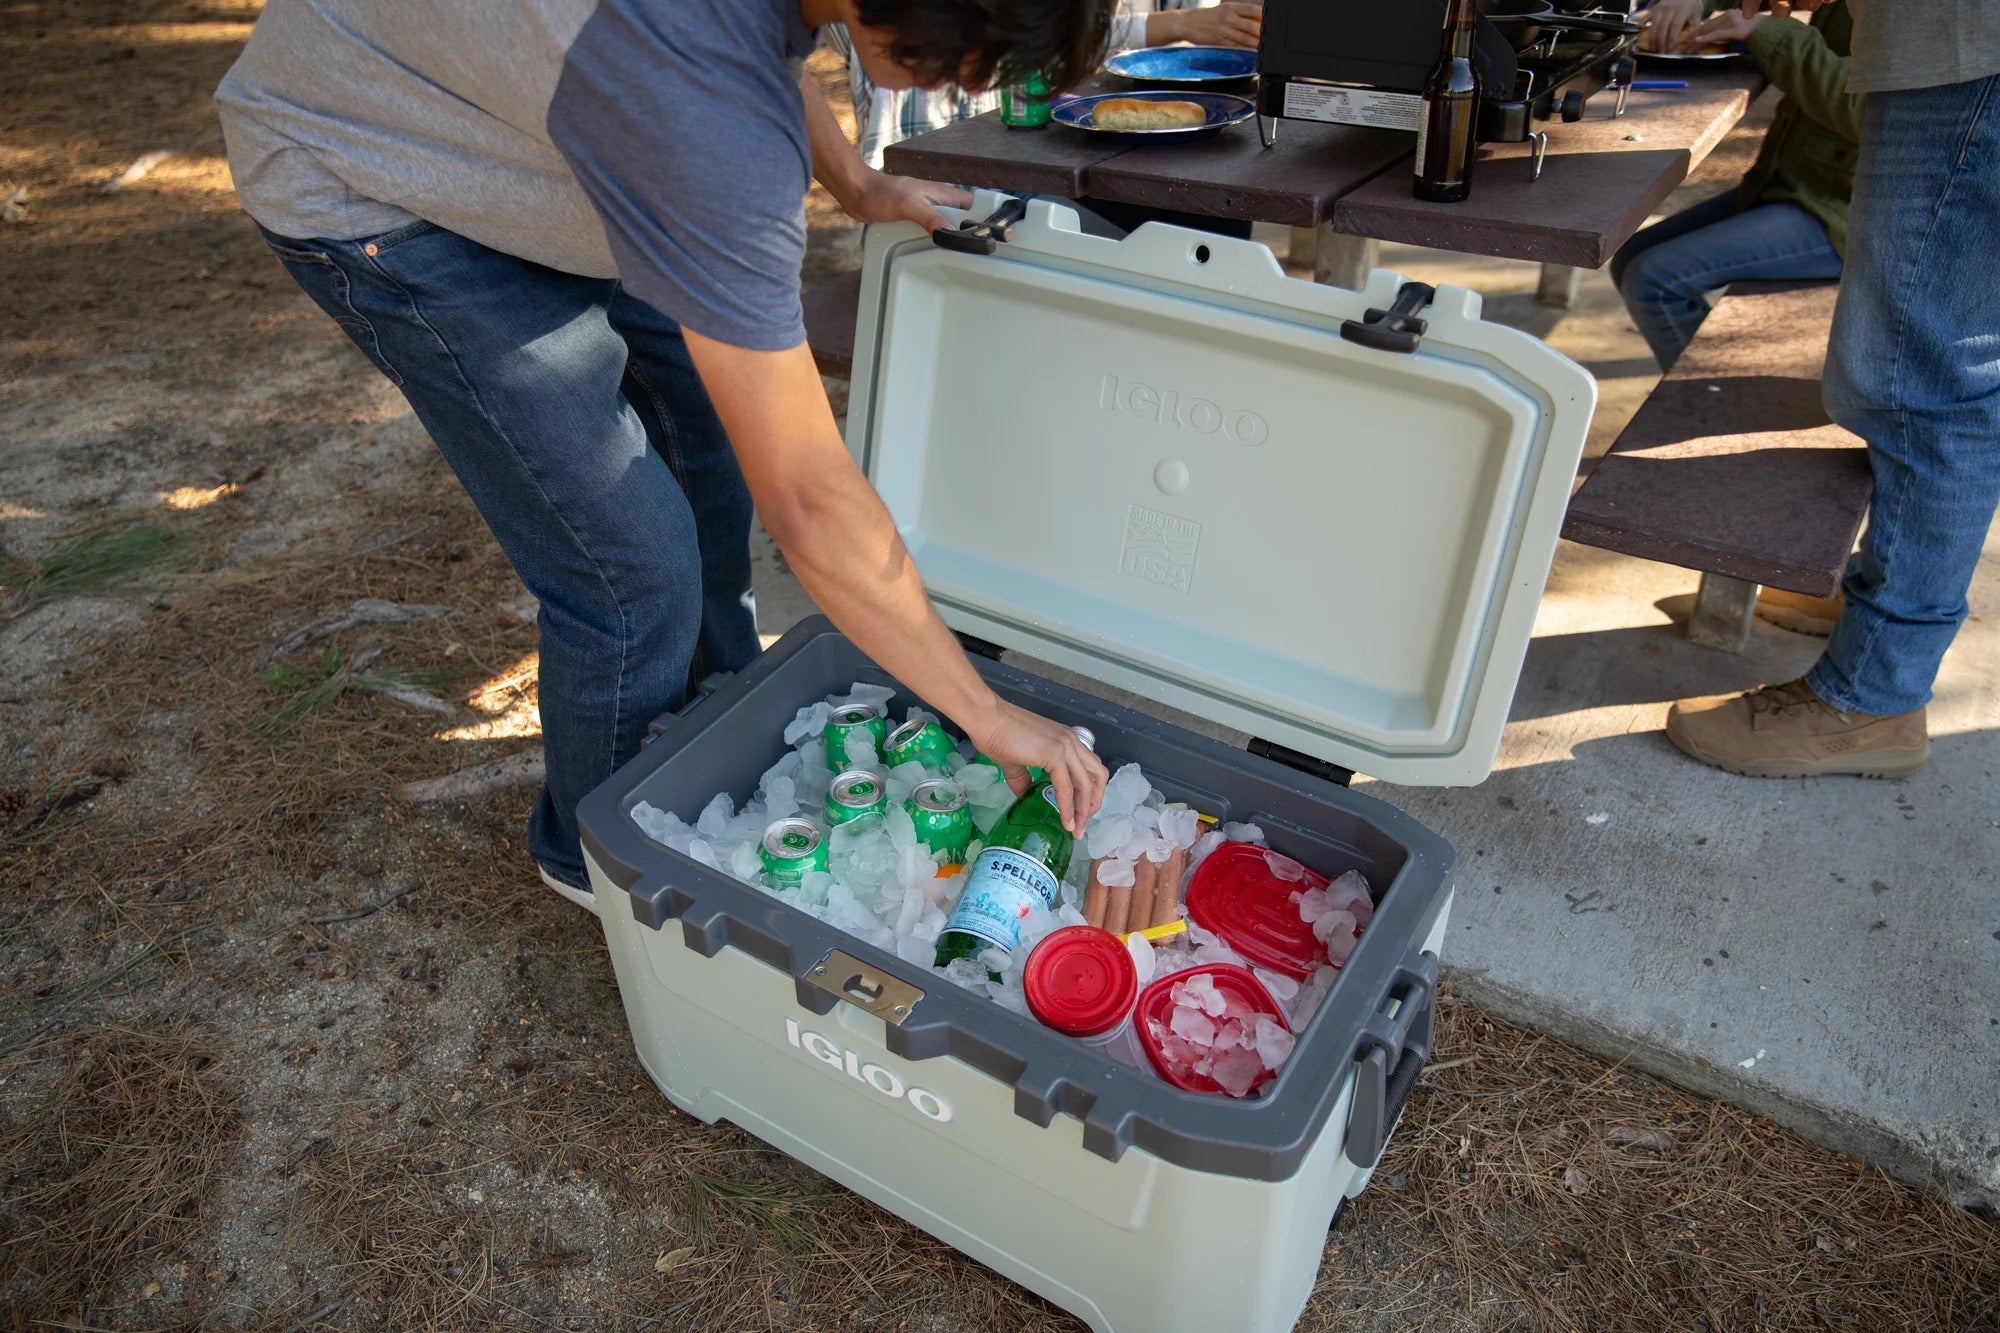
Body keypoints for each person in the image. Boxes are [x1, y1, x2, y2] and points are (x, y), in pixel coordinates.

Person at [214, 0, 1113, 910]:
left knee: (707, 456)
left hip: (541, 134)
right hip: (374, 170)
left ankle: (720, 734)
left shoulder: (703, 99)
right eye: (967, 55)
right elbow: (807, 494)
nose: (966, 84)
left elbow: (765, 49)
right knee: (632, 572)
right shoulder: (701, 126)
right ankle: (599, 860)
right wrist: (988, 714)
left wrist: (855, 181)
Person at [1665, 0, 2000, 780]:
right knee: (1917, 380)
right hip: (1958, 54)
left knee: (1924, 390)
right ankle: (1881, 620)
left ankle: (1871, 696)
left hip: (1967, 58)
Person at [1611, 0, 1859, 370]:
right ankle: (1698, 383)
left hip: (1851, 214)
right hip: (1797, 184)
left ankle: (1702, 396)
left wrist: (1766, 33)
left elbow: (1869, 109)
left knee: (1654, 282)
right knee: (1630, 257)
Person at [823, 0, 1261, 172]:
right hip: (913, 198)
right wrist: (857, 183)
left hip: (1006, 183)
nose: (977, 86)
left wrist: (856, 186)